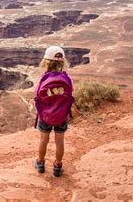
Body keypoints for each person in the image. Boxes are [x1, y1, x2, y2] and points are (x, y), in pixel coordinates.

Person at [33, 45, 74, 177]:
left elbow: (37, 95)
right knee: (59, 141)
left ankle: (40, 163)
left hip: (45, 116)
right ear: (63, 63)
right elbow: (70, 94)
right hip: (61, 116)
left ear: (46, 62)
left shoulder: (43, 79)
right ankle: (57, 166)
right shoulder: (67, 79)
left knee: (43, 139)